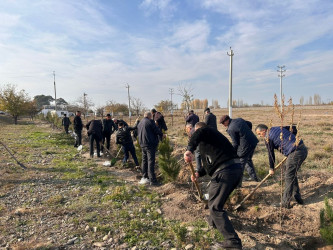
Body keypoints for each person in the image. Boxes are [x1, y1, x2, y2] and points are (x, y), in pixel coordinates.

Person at [184, 122, 242, 249]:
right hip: (234, 169)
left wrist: (189, 149)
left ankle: (233, 242)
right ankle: (213, 222)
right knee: (214, 199)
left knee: (215, 206)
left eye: (194, 132)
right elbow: (209, 165)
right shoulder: (211, 142)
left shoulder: (206, 131)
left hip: (226, 170)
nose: (194, 135)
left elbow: (200, 132)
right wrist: (198, 173)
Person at [255, 124, 308, 208]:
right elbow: (293, 128)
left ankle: (285, 203)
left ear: (264, 131)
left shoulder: (267, 138)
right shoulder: (278, 127)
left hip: (295, 153)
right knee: (291, 173)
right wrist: (292, 141)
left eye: (259, 134)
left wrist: (271, 168)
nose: (260, 136)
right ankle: (297, 197)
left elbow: (271, 154)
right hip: (303, 149)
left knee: (288, 176)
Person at [220, 115, 259, 185]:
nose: (223, 125)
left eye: (223, 123)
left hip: (245, 146)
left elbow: (235, 143)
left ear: (227, 120)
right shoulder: (239, 119)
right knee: (248, 160)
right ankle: (254, 178)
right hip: (253, 142)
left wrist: (232, 152)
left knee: (240, 164)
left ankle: (238, 185)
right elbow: (249, 124)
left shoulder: (231, 129)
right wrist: (246, 133)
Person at [137, 111, 164, 186]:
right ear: (150, 116)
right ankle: (153, 180)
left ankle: (145, 177)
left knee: (144, 161)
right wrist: (162, 134)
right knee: (151, 161)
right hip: (150, 144)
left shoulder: (140, 123)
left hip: (142, 143)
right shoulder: (150, 121)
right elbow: (156, 130)